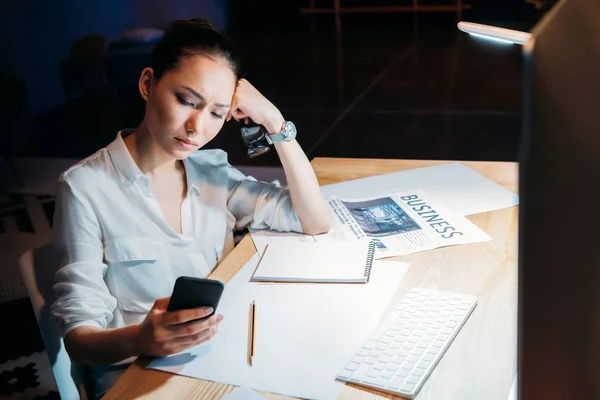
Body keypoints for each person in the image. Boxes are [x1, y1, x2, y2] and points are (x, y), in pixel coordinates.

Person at [50, 18, 332, 398]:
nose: (197, 127)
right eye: (185, 101)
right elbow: (79, 340)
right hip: (139, 376)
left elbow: (313, 220)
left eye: (217, 113)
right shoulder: (84, 188)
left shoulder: (212, 170)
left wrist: (274, 120)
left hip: (225, 356)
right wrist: (141, 339)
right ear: (147, 84)